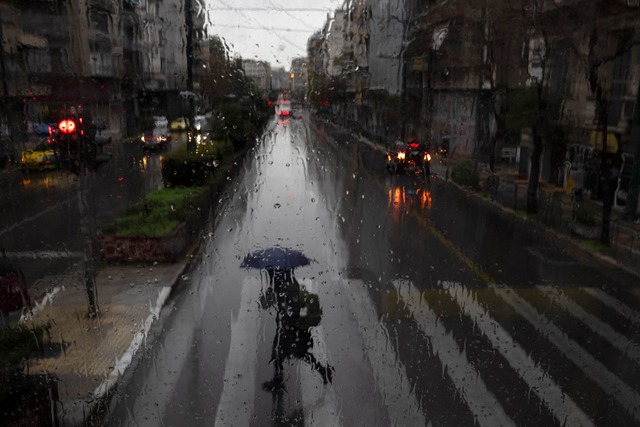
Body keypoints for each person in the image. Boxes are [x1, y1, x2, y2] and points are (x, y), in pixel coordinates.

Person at [262, 267, 334, 391]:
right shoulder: (281, 283)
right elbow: (268, 304)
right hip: (289, 327)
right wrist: (268, 293)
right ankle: (323, 370)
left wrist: (289, 324)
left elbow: (293, 305)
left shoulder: (286, 285)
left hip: (292, 328)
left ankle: (279, 380)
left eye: (270, 274)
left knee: (281, 352)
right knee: (297, 353)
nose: (269, 277)